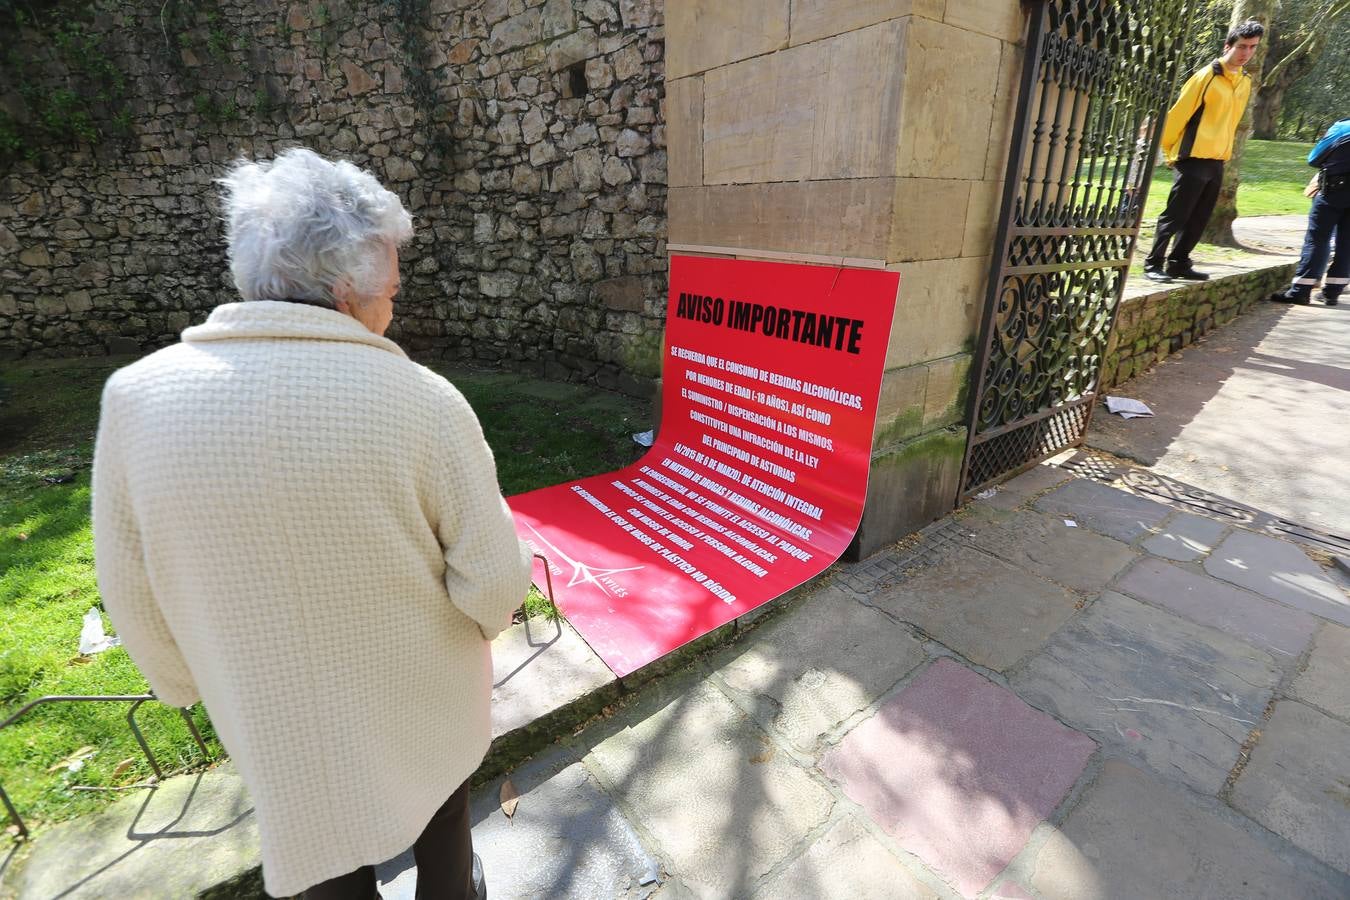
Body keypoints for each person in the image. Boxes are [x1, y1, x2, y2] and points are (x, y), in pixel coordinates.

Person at [92, 147, 531, 899]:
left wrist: (182, 683)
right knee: (440, 808)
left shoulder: (134, 400)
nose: (394, 307)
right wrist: (487, 622)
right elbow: (494, 582)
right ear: (345, 294)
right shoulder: (423, 401)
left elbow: (128, 585)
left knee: (321, 844)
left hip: (270, 708)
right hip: (422, 689)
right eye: (391, 289)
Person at [1143, 19, 1265, 283]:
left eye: (1252, 47)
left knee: (1200, 217)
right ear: (1227, 46)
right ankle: (1153, 263)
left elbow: (1231, 122)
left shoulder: (1244, 82)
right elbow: (1178, 115)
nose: (1246, 53)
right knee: (1176, 214)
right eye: (1242, 46)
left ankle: (1179, 262)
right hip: (1193, 157)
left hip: (1217, 160)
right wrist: (1169, 151)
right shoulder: (1205, 76)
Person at [1272, 118, 1350, 305]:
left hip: (1333, 192)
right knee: (1347, 244)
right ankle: (1332, 293)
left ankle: (1300, 291)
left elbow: (1314, 158)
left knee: (1317, 239)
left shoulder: (1342, 127)